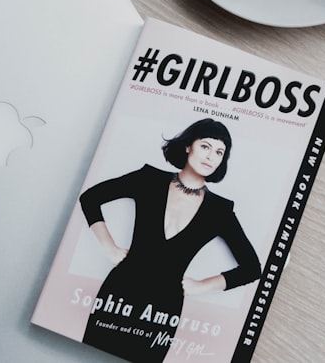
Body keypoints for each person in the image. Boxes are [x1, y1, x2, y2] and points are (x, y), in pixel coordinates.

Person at [79, 118, 261, 362]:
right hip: (119, 291)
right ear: (188, 147)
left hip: (165, 307)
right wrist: (109, 247)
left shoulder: (220, 211)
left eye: (219, 152)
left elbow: (252, 269)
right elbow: (90, 198)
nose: (211, 156)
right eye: (205, 146)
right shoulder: (149, 179)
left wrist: (201, 286)